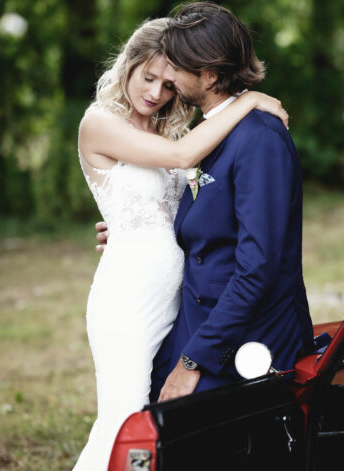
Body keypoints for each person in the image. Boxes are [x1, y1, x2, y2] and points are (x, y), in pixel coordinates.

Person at [75, 17, 289, 471]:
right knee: (126, 423)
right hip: (130, 300)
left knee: (158, 421)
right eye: (147, 77)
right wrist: (247, 99)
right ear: (127, 65)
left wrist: (132, 227)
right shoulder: (100, 122)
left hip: (177, 302)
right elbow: (181, 159)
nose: (155, 92)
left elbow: (179, 207)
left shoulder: (164, 131)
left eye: (168, 85)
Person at [148, 2, 314, 401]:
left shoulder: (259, 139)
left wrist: (194, 362)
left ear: (208, 75)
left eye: (174, 66)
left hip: (250, 339)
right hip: (201, 322)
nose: (166, 76)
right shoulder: (215, 131)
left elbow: (258, 268)